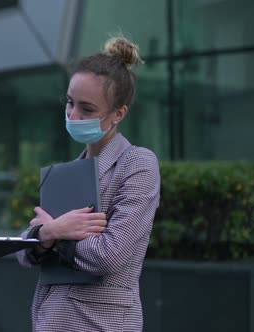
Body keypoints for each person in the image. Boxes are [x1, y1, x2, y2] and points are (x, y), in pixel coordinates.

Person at [17, 36, 161, 332]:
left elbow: (110, 254)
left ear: (119, 114)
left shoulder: (137, 163)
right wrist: (51, 230)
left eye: (87, 109)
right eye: (70, 103)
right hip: (50, 319)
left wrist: (53, 237)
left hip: (99, 323)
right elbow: (23, 252)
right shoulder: (67, 172)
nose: (73, 115)